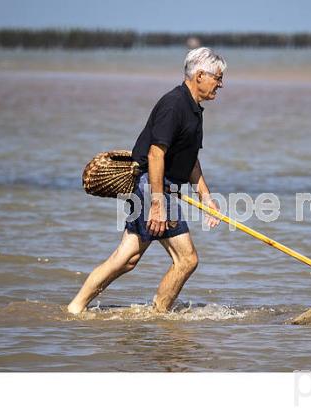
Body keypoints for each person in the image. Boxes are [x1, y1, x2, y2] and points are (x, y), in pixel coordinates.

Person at [67, 47, 226, 314]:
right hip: (153, 188)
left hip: (158, 189)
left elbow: (191, 162)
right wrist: (157, 203)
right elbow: (155, 154)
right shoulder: (174, 104)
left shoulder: (194, 110)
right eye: (217, 78)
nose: (220, 84)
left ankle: (75, 308)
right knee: (186, 259)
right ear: (200, 75)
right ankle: (159, 315)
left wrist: (207, 198)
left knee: (126, 259)